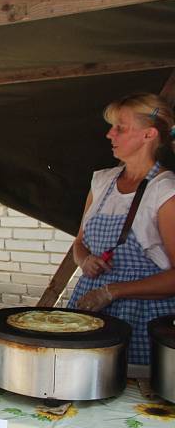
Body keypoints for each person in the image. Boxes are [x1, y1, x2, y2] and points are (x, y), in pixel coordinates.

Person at [70, 93, 175, 365]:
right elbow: (80, 242)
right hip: (90, 307)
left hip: (142, 316)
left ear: (148, 135)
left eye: (120, 127)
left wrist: (112, 291)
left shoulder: (165, 191)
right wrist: (84, 260)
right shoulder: (102, 182)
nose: (109, 134)